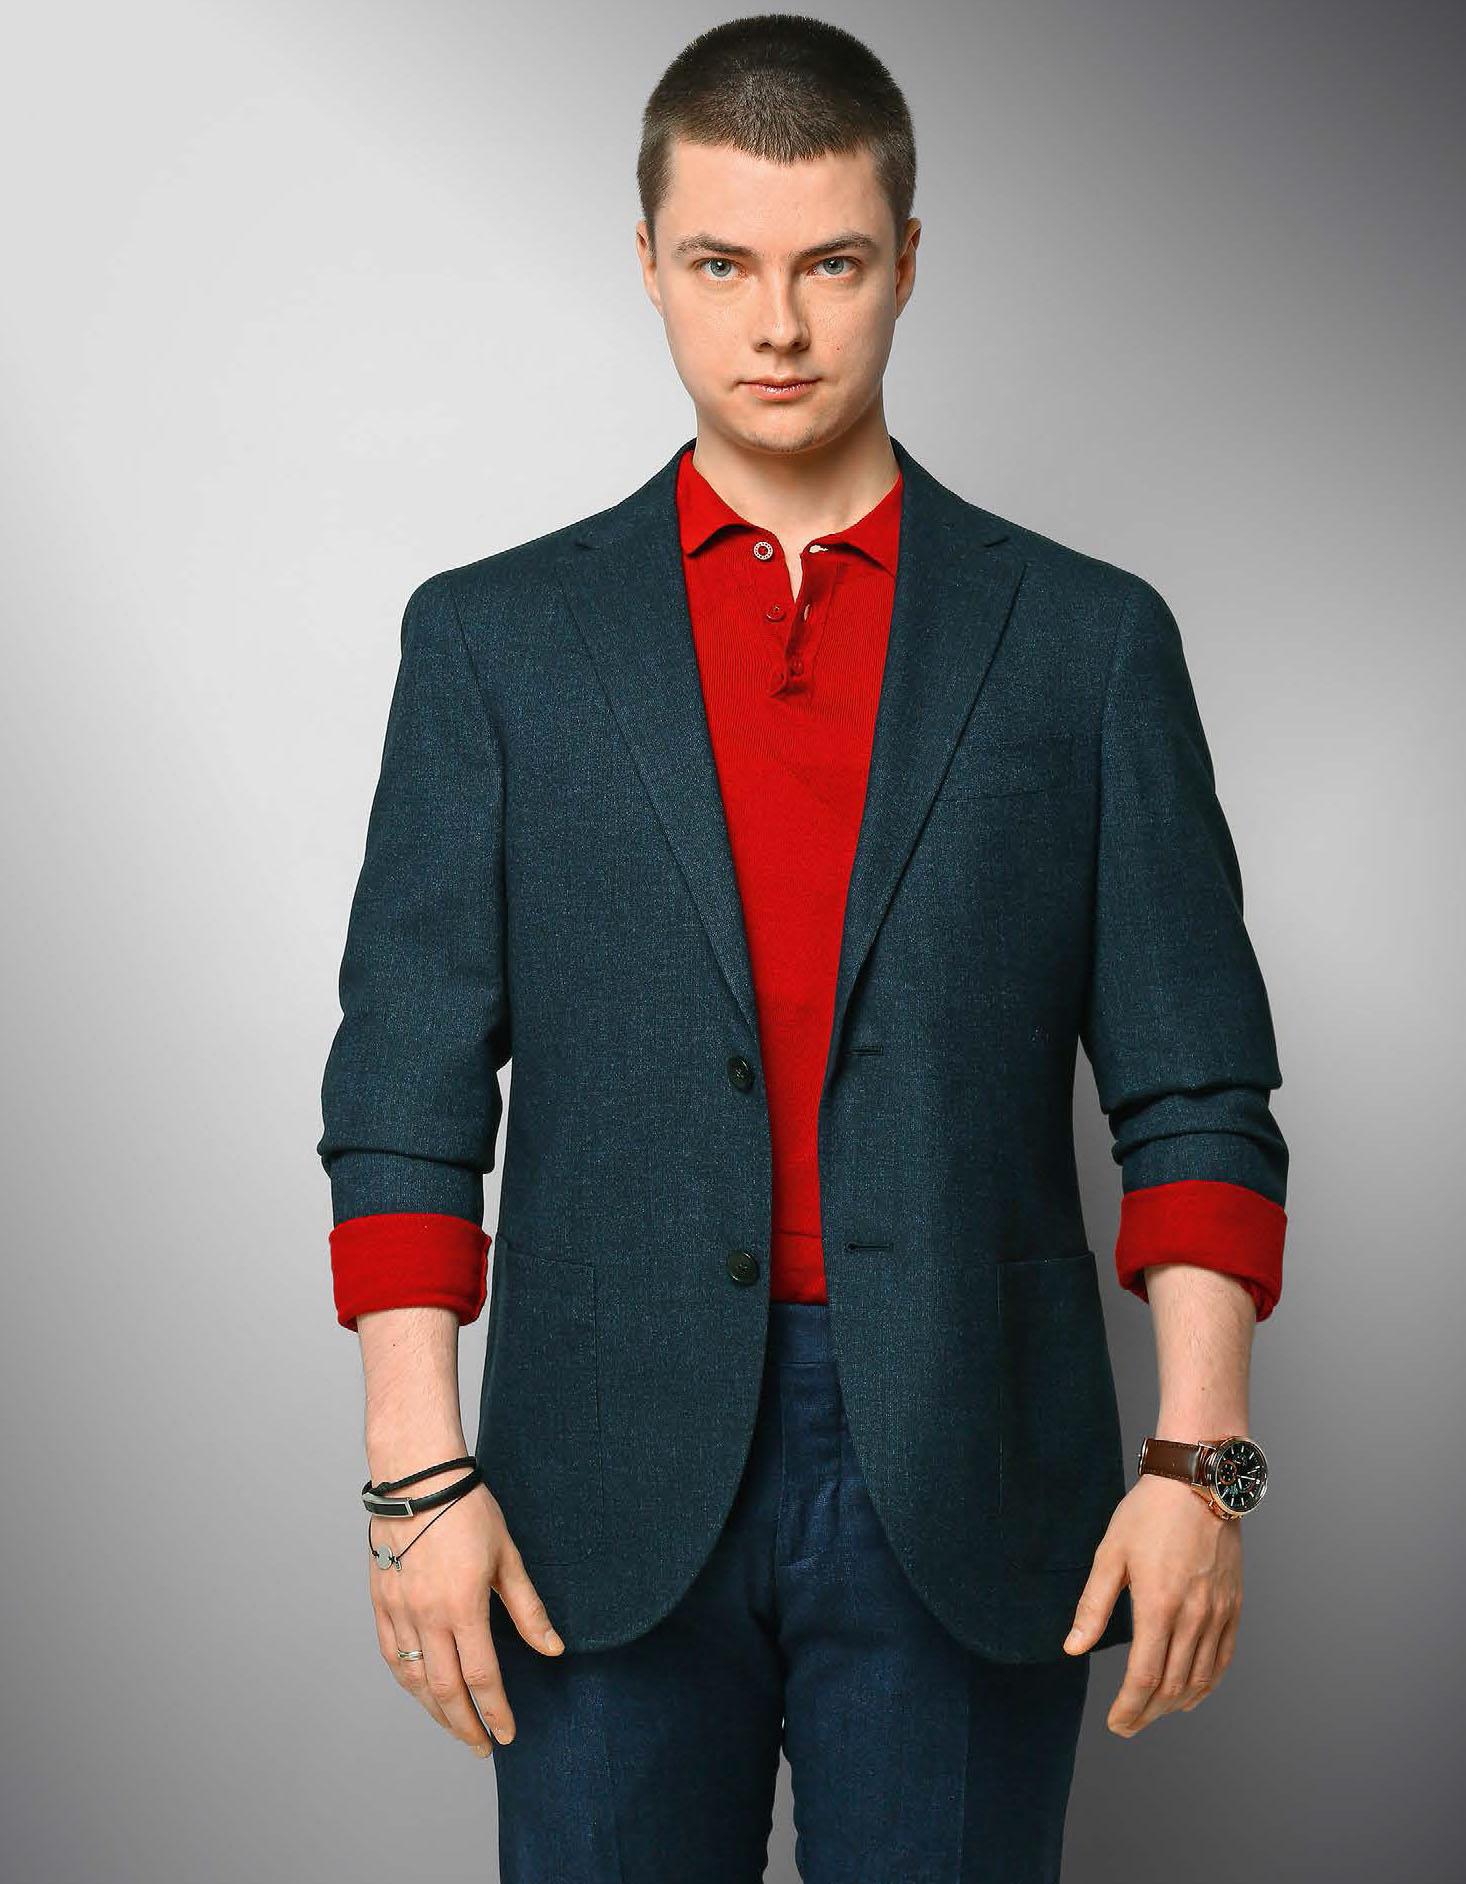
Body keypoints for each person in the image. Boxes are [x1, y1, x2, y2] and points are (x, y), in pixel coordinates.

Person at [317, 16, 1289, 1880]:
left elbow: (1198, 1092)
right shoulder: (492, 645)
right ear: (648, 262)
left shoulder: (1087, 643)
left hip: (972, 1465)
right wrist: (413, 1475)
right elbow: (403, 1094)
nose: (777, 326)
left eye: (831, 264)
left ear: (907, 260)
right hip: (595, 1477)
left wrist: (1202, 1465)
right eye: (722, 265)